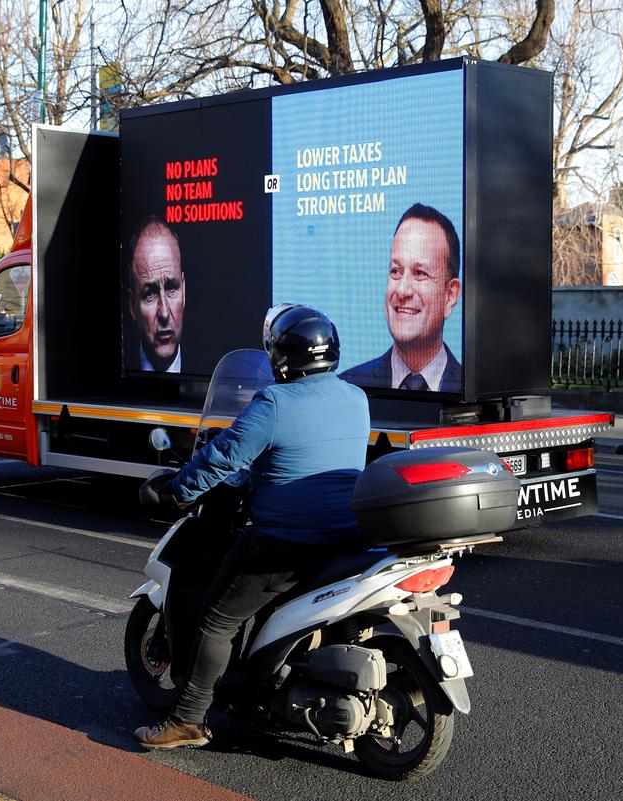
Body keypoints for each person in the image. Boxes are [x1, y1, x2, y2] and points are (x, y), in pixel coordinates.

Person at [134, 304, 370, 750]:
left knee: (216, 618)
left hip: (285, 542)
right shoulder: (355, 398)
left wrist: (177, 492)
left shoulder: (274, 402)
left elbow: (223, 457)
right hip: (345, 538)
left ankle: (187, 720)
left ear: (279, 357)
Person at [340, 203, 462, 393]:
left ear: (450, 296)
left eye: (420, 273)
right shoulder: (349, 390)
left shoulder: (468, 388)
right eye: (396, 271)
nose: (403, 290)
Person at [127, 217, 186, 372]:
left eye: (171, 288)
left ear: (184, 292)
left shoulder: (216, 370)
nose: (164, 313)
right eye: (150, 294)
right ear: (132, 305)